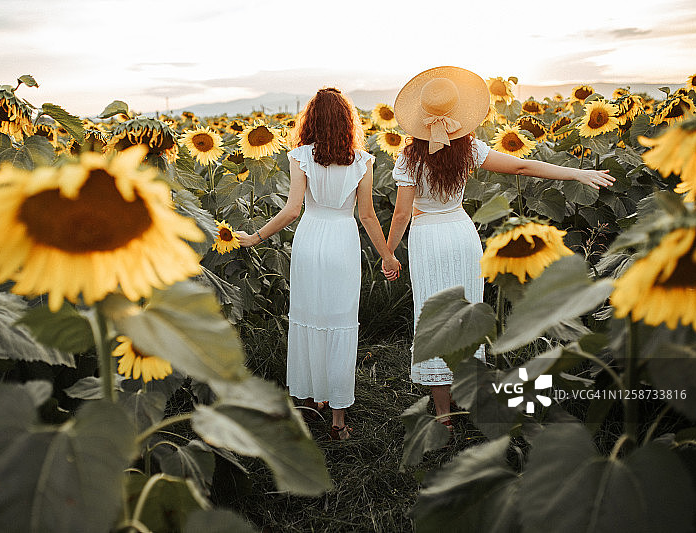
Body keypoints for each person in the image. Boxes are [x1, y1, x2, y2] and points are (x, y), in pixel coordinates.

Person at [381, 66, 615, 428]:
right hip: (461, 235)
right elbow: (521, 166)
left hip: (428, 238)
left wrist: (389, 253)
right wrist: (576, 172)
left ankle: (444, 415)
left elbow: (400, 214)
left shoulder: (409, 158)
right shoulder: (469, 149)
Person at [236, 87, 401, 440]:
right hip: (343, 242)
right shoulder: (364, 161)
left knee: (307, 319)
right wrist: (387, 255)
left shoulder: (300, 156)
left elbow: (292, 209)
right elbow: (368, 217)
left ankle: (306, 405)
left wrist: (255, 237)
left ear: (311, 119)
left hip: (310, 240)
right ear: (347, 121)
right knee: (340, 323)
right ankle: (338, 420)